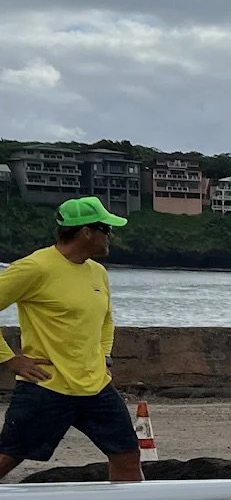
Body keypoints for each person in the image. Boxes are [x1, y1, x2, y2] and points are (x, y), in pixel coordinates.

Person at [0, 197, 143, 484]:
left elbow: (105, 320)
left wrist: (104, 356)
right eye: (106, 229)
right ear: (86, 231)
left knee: (128, 456)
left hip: (96, 387)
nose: (110, 237)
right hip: (47, 386)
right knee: (7, 458)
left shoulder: (97, 272)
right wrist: (9, 358)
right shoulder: (35, 267)